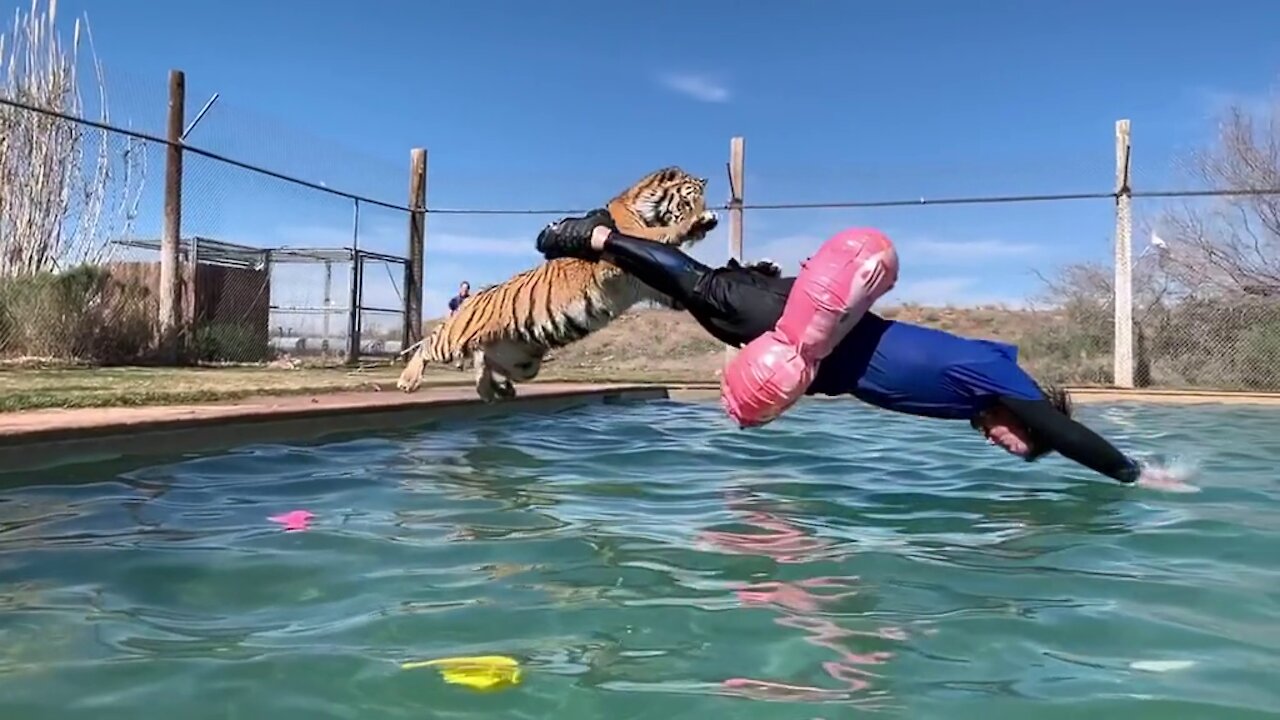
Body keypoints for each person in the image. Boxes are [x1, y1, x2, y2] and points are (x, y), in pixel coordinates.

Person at [535, 209, 1187, 490]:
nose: (1001, 444)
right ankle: (595, 237)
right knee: (699, 287)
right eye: (1018, 440)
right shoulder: (997, 379)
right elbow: (1066, 435)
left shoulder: (975, 397)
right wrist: (1131, 471)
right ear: (1028, 414)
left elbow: (1051, 436)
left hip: (795, 341)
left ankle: (723, 270)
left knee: (701, 299)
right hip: (796, 320)